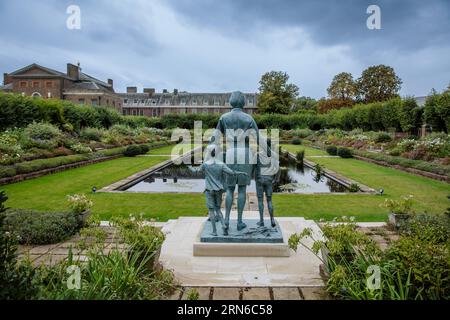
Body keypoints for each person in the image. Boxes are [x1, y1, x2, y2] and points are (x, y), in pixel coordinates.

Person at [212, 91, 259, 231]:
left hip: (231, 153)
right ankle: (239, 221)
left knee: (230, 189)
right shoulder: (248, 118)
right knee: (242, 189)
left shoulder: (224, 118)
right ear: (243, 102)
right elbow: (258, 138)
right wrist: (269, 152)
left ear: (231, 101)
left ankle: (226, 220)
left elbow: (215, 138)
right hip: (245, 154)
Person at [188, 145, 248, 236]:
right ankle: (223, 226)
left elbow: (195, 171)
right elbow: (232, 173)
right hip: (219, 190)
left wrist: (189, 166)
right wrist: (242, 173)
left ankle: (214, 231)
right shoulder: (221, 164)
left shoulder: (206, 164)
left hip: (209, 190)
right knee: (218, 210)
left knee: (211, 211)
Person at [256, 137, 280, 228]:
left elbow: (254, 168)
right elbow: (278, 169)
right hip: (269, 179)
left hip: (260, 180)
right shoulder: (274, 155)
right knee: (269, 200)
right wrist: (276, 179)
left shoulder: (258, 155)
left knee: (260, 200)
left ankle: (261, 221)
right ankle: (272, 219)